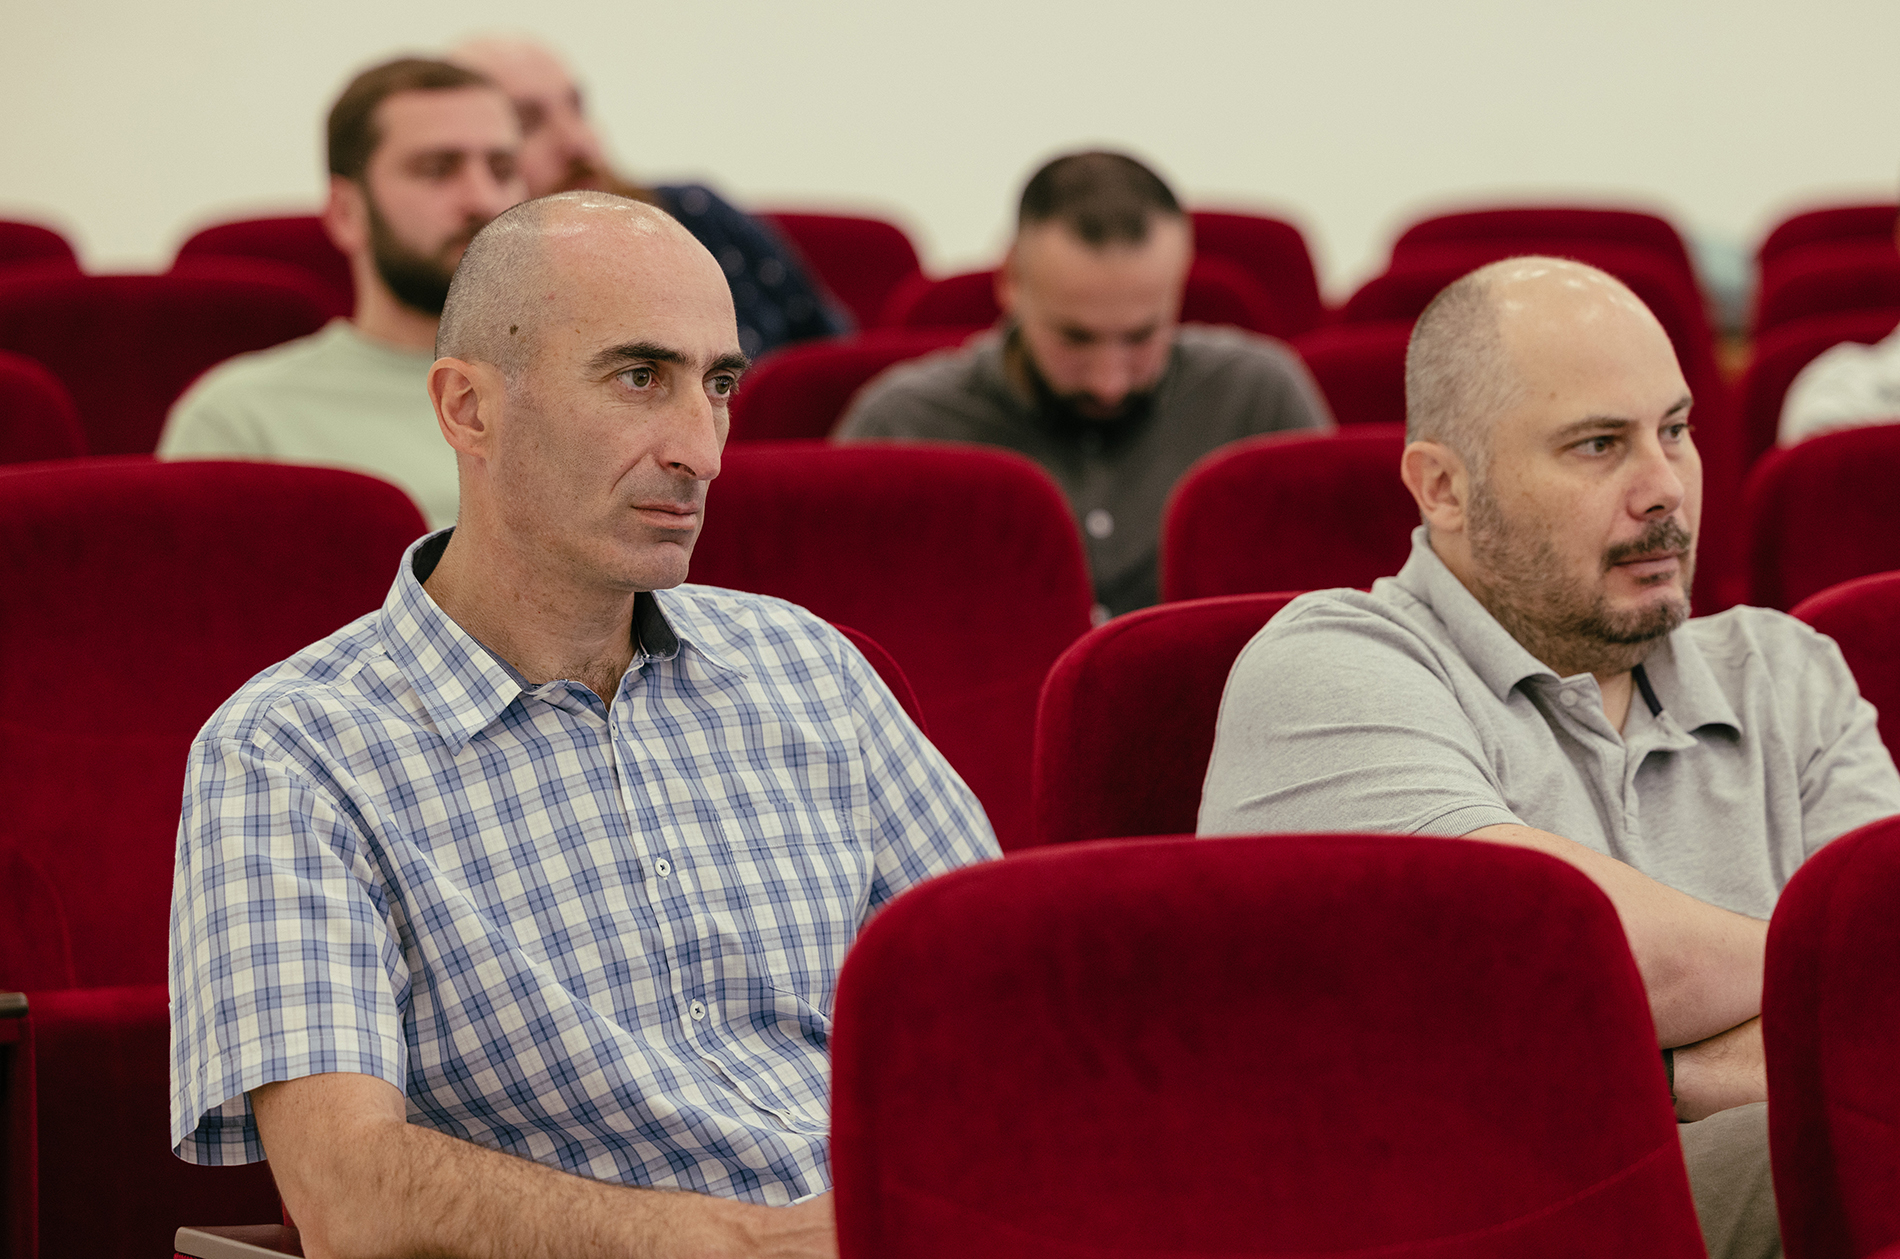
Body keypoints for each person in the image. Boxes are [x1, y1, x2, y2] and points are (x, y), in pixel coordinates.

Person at [168, 191, 999, 1259]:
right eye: (639, 377)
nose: (701, 449)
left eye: (720, 385)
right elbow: (349, 1194)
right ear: (469, 408)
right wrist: (749, 1242)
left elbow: (1014, 1026)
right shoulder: (292, 751)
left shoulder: (809, 669)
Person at [1199, 256, 1900, 1259]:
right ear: (1443, 487)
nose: (1664, 489)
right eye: (1598, 445)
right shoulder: (1324, 667)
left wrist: (1669, 1072)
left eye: (1675, 430)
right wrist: (1829, 991)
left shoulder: (1786, 670)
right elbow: (1550, 952)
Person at [835, 151, 1331, 619]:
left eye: (1141, 336)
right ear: (1011, 281)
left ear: (1178, 288)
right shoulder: (901, 426)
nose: (1108, 383)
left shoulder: (1259, 399)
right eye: (1075, 338)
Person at [158, 57, 527, 529]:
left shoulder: (589, 386)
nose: (484, 199)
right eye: (437, 170)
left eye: (502, 169)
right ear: (347, 213)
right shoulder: (240, 419)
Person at [448, 35, 848, 358]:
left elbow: (835, 363)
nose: (578, 143)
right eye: (527, 123)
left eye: (577, 107)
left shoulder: (695, 215)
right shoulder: (469, 286)